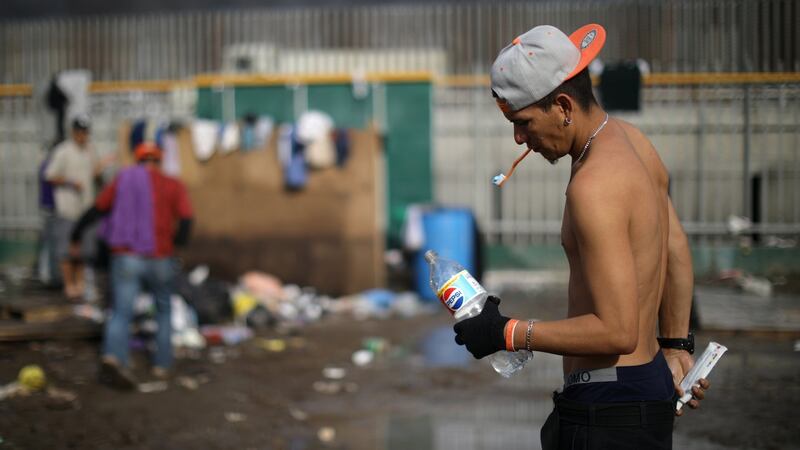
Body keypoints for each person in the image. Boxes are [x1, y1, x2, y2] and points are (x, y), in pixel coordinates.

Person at [452, 24, 710, 449]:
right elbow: (674, 247)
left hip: (607, 410)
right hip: (641, 389)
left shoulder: (593, 186)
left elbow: (617, 332)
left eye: (523, 122)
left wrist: (507, 332)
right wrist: (676, 345)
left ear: (563, 105)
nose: (520, 138)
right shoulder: (632, 142)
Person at [70, 142, 194, 390]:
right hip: (160, 257)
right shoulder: (172, 184)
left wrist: (76, 234)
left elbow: (98, 208)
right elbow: (187, 219)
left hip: (127, 256)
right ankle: (162, 364)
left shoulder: (123, 180)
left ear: (138, 161)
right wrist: (176, 246)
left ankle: (114, 358)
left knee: (121, 311)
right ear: (158, 160)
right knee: (164, 310)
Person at [44, 115, 110, 300]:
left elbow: (95, 174)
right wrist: (71, 183)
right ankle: (69, 285)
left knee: (84, 250)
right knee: (66, 251)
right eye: (80, 132)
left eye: (86, 132)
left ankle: (80, 285)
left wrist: (100, 175)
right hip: (67, 208)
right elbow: (50, 176)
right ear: (74, 132)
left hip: (86, 210)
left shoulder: (91, 150)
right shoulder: (63, 151)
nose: (83, 136)